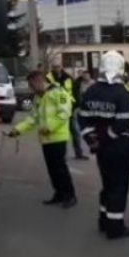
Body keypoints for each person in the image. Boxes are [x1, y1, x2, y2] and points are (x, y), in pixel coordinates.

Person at [78, 51, 129, 240]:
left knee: (107, 183)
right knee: (119, 186)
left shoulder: (91, 91)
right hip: (119, 146)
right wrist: (108, 137)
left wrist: (91, 139)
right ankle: (115, 227)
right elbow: (123, 123)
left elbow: (82, 119)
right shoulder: (122, 92)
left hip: (100, 148)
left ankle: (103, 219)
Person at [9, 70, 77, 208]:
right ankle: (59, 193)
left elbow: (65, 112)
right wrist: (17, 130)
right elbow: (32, 119)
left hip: (58, 138)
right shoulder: (38, 98)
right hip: (45, 139)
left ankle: (70, 195)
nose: (31, 88)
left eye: (32, 84)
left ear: (39, 81)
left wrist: (49, 127)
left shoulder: (58, 92)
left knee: (60, 168)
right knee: (52, 169)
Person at [47, 61, 86, 160]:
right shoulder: (49, 78)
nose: (57, 69)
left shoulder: (67, 77)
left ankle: (78, 153)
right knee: (60, 134)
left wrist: (76, 105)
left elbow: (73, 92)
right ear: (52, 68)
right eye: (55, 67)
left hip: (69, 109)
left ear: (62, 67)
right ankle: (60, 154)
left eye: (58, 67)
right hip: (56, 110)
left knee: (76, 132)